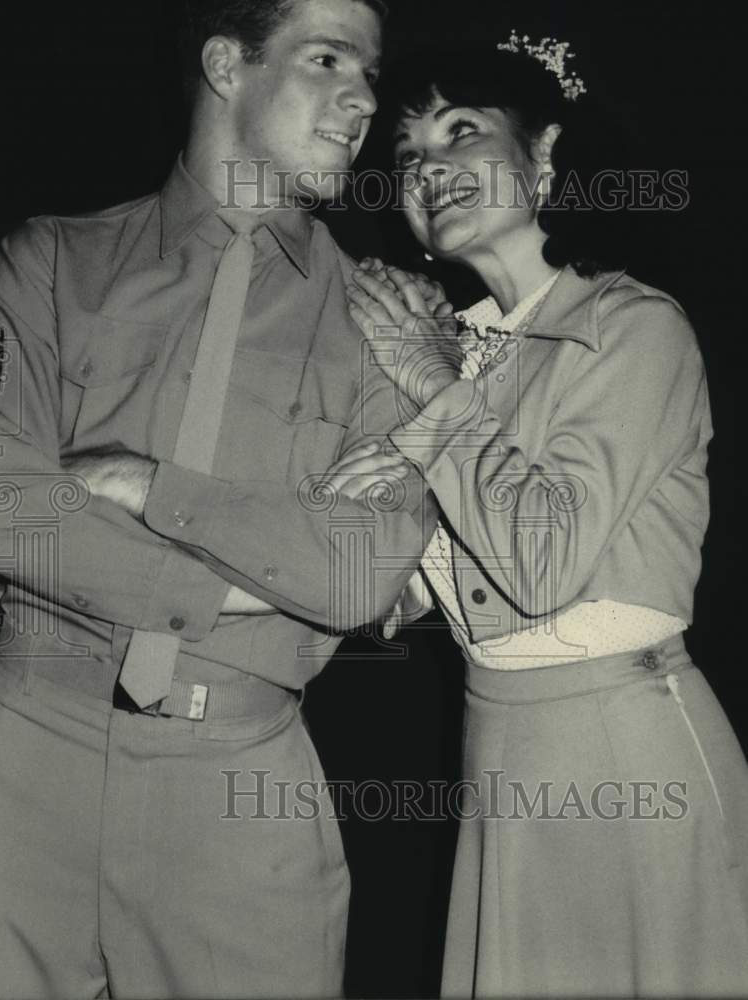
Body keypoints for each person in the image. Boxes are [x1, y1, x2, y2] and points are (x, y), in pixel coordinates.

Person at [0, 2, 440, 997]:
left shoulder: (392, 326)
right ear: (227, 64)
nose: (363, 100)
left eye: (370, 73)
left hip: (238, 800)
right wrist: (257, 577)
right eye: (327, 58)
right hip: (16, 773)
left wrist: (143, 488)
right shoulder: (42, 263)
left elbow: (362, 571)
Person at [343, 33, 748, 998]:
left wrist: (426, 388)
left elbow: (540, 560)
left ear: (548, 155)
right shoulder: (458, 349)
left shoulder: (632, 325)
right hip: (501, 751)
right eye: (407, 156)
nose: (430, 169)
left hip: (624, 745)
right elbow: (429, 592)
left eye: (462, 132)